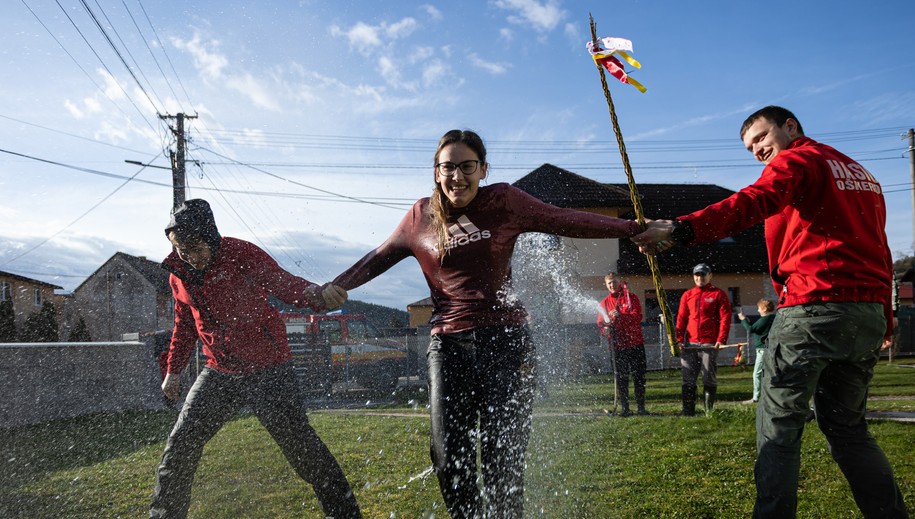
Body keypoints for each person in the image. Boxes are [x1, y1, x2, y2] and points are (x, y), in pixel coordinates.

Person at [328, 129, 642, 518]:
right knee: (448, 458)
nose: (457, 177)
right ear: (436, 171)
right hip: (448, 346)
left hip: (506, 341)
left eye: (467, 167)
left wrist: (633, 230)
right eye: (448, 167)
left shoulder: (503, 201)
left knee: (502, 461)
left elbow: (563, 219)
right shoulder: (420, 216)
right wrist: (337, 286)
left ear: (483, 169)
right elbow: (378, 256)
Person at [632, 106, 907, 517]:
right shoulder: (860, 173)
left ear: (790, 126)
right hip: (863, 313)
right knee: (849, 430)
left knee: (778, 430)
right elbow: (880, 247)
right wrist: (884, 313)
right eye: (750, 148)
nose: (758, 150)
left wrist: (681, 229)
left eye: (761, 137)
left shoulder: (796, 160)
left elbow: (754, 200)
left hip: (814, 307)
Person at [150, 199, 362, 519]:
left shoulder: (241, 255)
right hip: (220, 371)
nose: (191, 257)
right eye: (182, 250)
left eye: (196, 249)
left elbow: (283, 283)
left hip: (269, 369)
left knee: (302, 450)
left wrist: (318, 295)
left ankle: (345, 513)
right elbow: (185, 325)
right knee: (181, 444)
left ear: (211, 237)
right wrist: (173, 371)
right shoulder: (178, 275)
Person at [675, 263, 731, 415]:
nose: (700, 278)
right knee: (688, 379)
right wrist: (679, 339)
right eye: (697, 275)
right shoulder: (687, 295)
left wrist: (721, 339)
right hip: (689, 345)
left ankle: (708, 412)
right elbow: (681, 319)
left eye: (703, 275)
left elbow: (725, 318)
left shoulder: (718, 294)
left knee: (708, 378)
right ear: (693, 277)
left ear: (710, 276)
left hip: (709, 344)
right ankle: (688, 411)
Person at [596, 271, 648, 416]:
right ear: (606, 285)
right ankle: (625, 408)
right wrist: (605, 330)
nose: (612, 285)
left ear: (619, 282)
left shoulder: (631, 298)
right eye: (609, 283)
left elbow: (637, 316)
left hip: (635, 343)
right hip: (617, 346)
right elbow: (601, 324)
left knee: (639, 376)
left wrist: (621, 316)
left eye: (614, 282)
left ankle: (641, 407)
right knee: (621, 378)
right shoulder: (604, 303)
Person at [738, 299, 776, 404]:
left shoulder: (764, 319)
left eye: (759, 308)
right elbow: (757, 328)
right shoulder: (772, 318)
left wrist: (743, 319)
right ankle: (770, 396)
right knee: (770, 373)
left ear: (764, 309)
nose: (758, 310)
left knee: (757, 374)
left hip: (762, 350)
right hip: (770, 348)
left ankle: (756, 397)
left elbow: (750, 329)